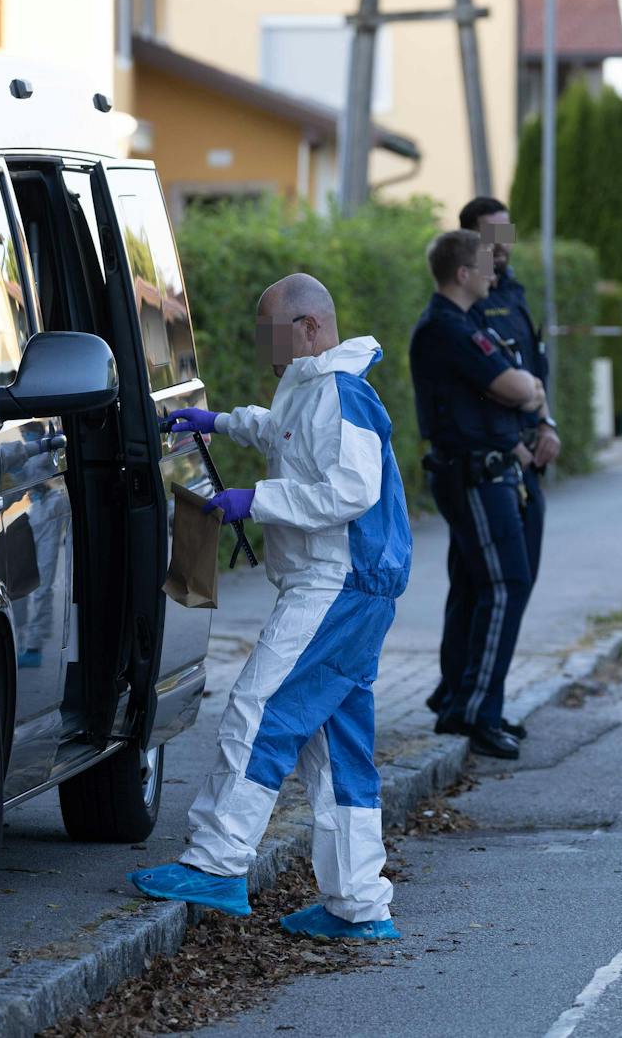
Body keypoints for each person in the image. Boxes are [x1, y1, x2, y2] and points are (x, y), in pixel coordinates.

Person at [130, 273, 411, 939]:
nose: (266, 349)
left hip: (334, 584)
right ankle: (358, 904)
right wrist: (220, 423)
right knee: (339, 749)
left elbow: (351, 490)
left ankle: (218, 860)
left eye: (272, 333)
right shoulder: (313, 387)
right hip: (349, 587)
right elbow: (282, 432)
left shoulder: (342, 395)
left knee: (258, 708)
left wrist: (256, 500)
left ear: (310, 327)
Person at [423, 198, 558, 740]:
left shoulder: (511, 293)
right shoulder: (454, 319)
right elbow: (508, 383)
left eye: (507, 234)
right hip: (483, 464)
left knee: (497, 582)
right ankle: (468, 701)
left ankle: (470, 699)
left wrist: (544, 426)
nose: (501, 249)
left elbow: (531, 371)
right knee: (494, 583)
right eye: (490, 239)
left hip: (515, 455)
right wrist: (526, 405)